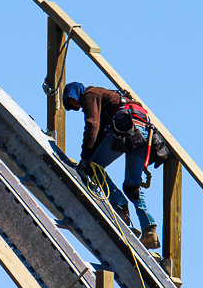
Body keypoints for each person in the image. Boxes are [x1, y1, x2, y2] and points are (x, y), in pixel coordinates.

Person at [62, 81, 160, 249]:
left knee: (93, 168)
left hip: (126, 128)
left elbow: (92, 124)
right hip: (144, 131)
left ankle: (120, 205)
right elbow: (101, 133)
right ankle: (149, 231)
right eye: (72, 105)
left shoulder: (90, 94)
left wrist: (85, 157)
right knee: (132, 186)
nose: (76, 105)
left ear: (76, 93)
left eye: (73, 101)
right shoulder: (108, 96)